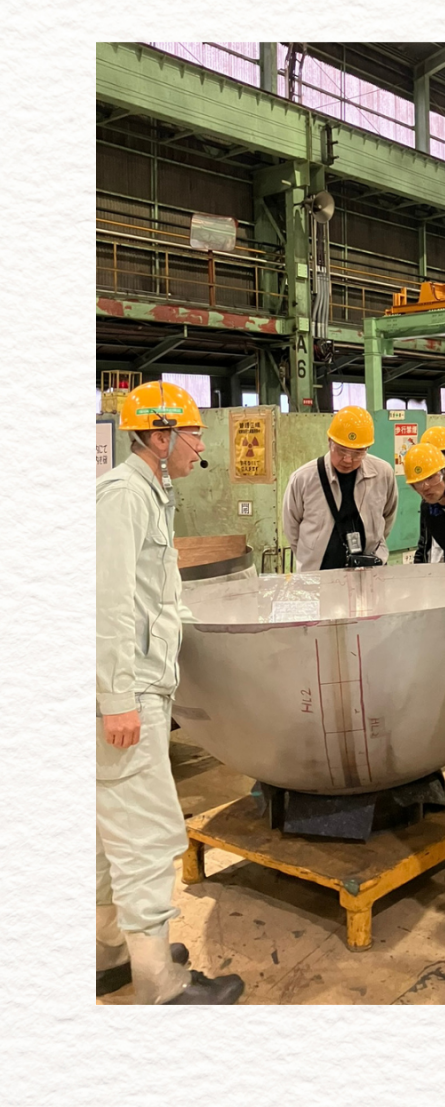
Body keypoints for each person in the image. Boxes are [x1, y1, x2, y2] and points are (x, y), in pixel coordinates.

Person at [96, 381, 245, 1005]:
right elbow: (105, 602)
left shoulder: (152, 495)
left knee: (111, 834)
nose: (199, 446)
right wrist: (117, 700)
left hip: (137, 683)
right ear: (160, 438)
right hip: (128, 692)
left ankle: (110, 951)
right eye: (193, 434)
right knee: (148, 834)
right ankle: (160, 983)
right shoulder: (123, 497)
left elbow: (155, 597)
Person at [282, 406, 398, 570]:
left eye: (357, 453)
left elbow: (388, 516)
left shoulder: (383, 474)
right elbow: (292, 529)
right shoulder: (303, 479)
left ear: (367, 449)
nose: (348, 460)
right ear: (329, 442)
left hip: (369, 571)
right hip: (319, 574)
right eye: (341, 450)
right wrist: (311, 557)